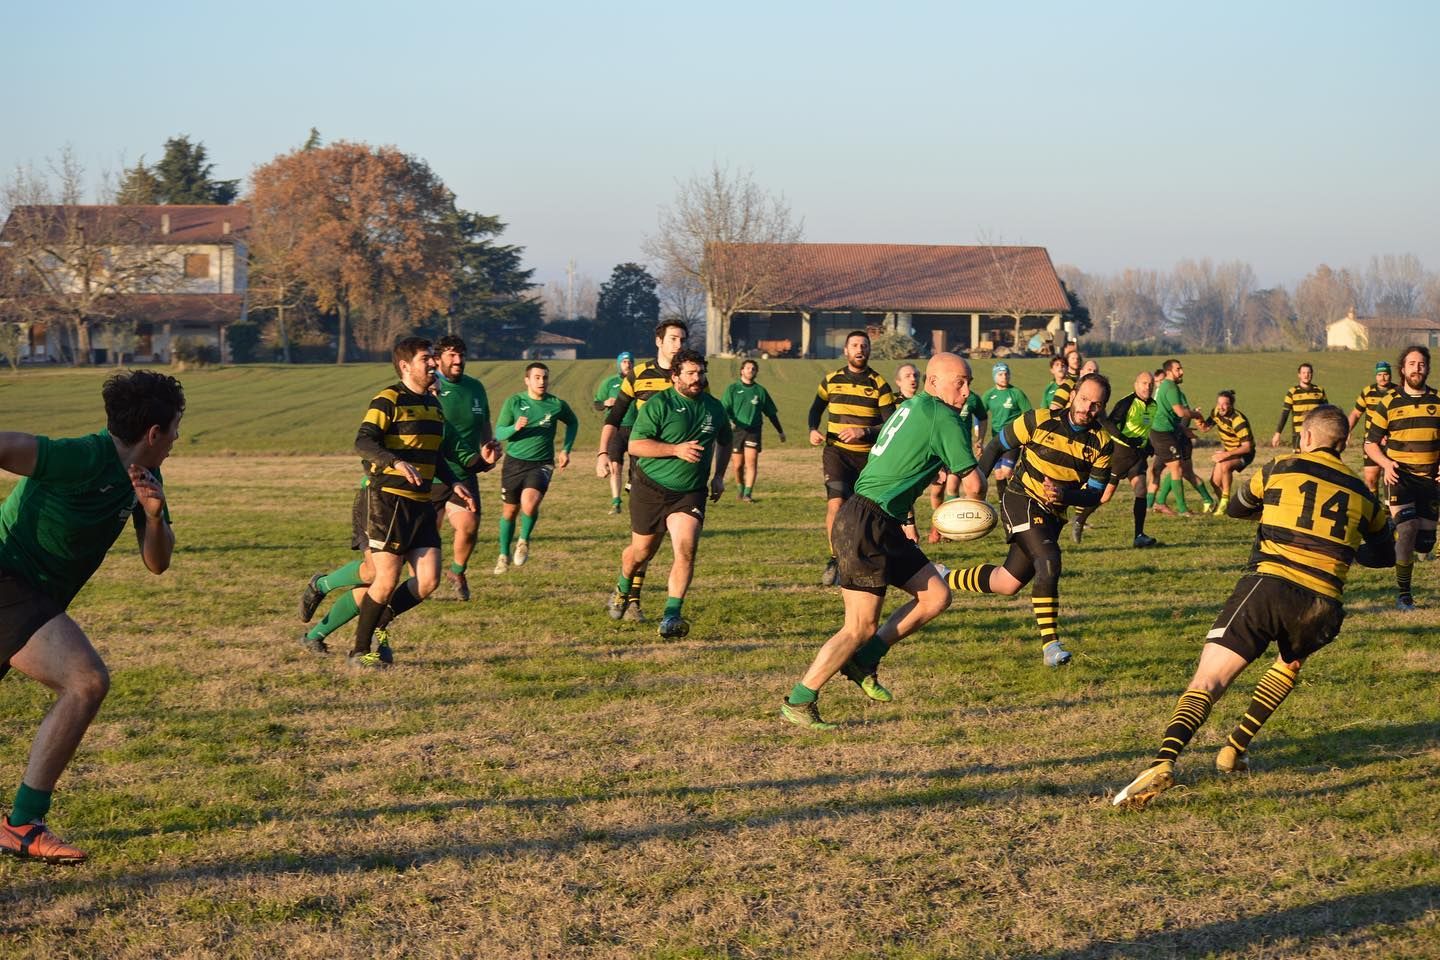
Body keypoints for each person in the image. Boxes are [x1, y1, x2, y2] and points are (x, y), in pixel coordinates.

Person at [1113, 405, 1392, 809]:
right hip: (1323, 602)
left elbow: (1237, 508)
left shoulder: (1281, 467)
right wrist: (1349, 549)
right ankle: (1234, 749)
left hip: (1270, 584)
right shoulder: (1363, 493)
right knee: (1288, 664)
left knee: (1208, 680)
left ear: (1306, 437)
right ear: (1344, 442)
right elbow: (1384, 553)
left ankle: (1163, 762)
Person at [0, 370, 184, 862]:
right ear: (154, 433)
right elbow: (6, 445)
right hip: (9, 579)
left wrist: (153, 515)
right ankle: (22, 823)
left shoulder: (146, 476)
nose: (176, 440)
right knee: (85, 681)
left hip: (34, 595)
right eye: (175, 429)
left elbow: (157, 562)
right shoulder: (82, 456)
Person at [782, 354, 980, 730]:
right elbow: (974, 483)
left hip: (883, 521)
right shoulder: (943, 415)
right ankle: (800, 699)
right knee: (858, 626)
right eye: (960, 382)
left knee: (936, 596)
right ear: (934, 382)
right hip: (866, 522)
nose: (967, 391)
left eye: (969, 382)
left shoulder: (915, 406)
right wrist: (978, 514)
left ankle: (864, 661)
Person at [946, 374, 1115, 667]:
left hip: (1053, 515)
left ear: (1102, 408)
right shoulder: (1038, 420)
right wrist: (977, 489)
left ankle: (942, 576)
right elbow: (996, 446)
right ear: (1073, 395)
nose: (1087, 408)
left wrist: (1065, 494)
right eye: (1084, 399)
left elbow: (1095, 495)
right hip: (1020, 499)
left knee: (1006, 582)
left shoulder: (1102, 443)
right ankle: (1051, 646)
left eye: (1095, 405)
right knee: (1049, 561)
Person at [343, 338, 483, 669]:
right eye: (426, 359)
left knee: (428, 581)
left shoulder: (433, 406)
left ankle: (380, 623)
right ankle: (360, 651)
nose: (433, 364)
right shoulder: (388, 399)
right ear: (406, 366)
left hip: (421, 504)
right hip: (388, 502)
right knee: (386, 580)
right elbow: (363, 441)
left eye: (433, 358)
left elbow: (436, 454)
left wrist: (454, 482)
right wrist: (396, 461)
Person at [606, 350, 731, 639]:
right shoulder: (659, 404)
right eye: (691, 373)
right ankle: (623, 585)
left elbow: (725, 440)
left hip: (690, 492)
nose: (697, 378)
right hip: (650, 487)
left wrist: (719, 476)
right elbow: (636, 445)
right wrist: (676, 449)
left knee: (686, 549)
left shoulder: (714, 407)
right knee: (641, 552)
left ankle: (671, 616)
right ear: (675, 376)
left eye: (701, 372)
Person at [597, 320, 689, 621]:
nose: (678, 344)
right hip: (643, 468)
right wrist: (602, 452)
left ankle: (633, 596)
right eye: (673, 338)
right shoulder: (638, 375)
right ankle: (631, 596)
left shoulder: (689, 376)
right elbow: (614, 417)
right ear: (659, 342)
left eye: (682, 339)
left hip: (680, 471)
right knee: (645, 543)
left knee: (661, 541)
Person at [809, 331, 896, 585]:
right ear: (846, 350)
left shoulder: (879, 384)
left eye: (864, 345)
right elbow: (815, 409)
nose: (860, 349)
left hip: (868, 458)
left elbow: (891, 425)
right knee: (835, 505)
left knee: (867, 512)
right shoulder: (831, 380)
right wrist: (812, 429)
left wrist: (864, 432)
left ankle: (867, 556)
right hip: (836, 453)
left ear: (869, 350)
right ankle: (835, 559)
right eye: (855, 345)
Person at [1364, 345, 1440, 611]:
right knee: (1408, 529)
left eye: (1421, 364)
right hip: (1400, 477)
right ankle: (1404, 595)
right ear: (1402, 369)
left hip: (1430, 480)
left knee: (1425, 544)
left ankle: (1388, 533)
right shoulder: (1389, 402)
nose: (1417, 368)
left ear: (1427, 368)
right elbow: (1370, 444)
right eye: (1412, 364)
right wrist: (1386, 463)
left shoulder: (1438, 400)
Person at [493, 362, 579, 574]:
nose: (542, 381)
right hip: (514, 463)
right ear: (527, 380)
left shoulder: (556, 404)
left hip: (542, 463)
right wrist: (515, 427)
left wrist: (565, 450)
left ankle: (523, 541)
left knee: (529, 504)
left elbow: (573, 422)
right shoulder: (514, 402)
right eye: (537, 377)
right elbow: (500, 432)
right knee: (510, 511)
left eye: (545, 377)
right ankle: (503, 555)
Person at [432, 335, 496, 599]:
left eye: (461, 355)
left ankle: (457, 572)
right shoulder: (430, 388)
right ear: (437, 359)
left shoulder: (475, 387)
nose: (458, 360)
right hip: (432, 474)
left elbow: (484, 422)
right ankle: (418, 583)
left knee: (469, 525)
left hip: (464, 470)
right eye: (451, 355)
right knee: (427, 536)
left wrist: (488, 448)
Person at [1080, 370, 1158, 548]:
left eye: (1151, 384)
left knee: (1141, 490)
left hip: (1137, 456)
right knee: (1105, 496)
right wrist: (1127, 440)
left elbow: (1143, 429)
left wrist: (1148, 444)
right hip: (1119, 455)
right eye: (1144, 383)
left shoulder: (1153, 405)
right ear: (1136, 385)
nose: (1148, 387)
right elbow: (1109, 424)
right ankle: (1080, 519)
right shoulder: (1127, 403)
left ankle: (1139, 535)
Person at [1148, 359, 1215, 516]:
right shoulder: (1171, 388)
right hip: (1163, 434)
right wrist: (1197, 414)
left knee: (1174, 469)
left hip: (1168, 433)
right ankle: (1182, 508)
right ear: (1169, 372)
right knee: (1177, 469)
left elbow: (1172, 414)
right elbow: (1180, 412)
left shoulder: (1167, 387)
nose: (1182, 372)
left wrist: (1182, 428)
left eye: (1181, 368)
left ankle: (1158, 503)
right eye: (1178, 369)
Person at [721, 359, 786, 502]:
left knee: (751, 463)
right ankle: (740, 489)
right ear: (742, 371)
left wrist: (780, 431)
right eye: (748, 368)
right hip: (737, 430)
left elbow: (771, 413)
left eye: (753, 369)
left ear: (756, 372)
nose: (750, 370)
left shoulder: (760, 391)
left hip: (753, 430)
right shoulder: (732, 389)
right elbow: (723, 409)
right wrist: (729, 422)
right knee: (738, 465)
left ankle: (748, 494)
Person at [982, 362, 1032, 504]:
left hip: (1013, 438)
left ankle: (1017, 496)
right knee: (998, 474)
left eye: (1006, 374)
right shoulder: (989, 395)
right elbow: (980, 414)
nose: (1004, 377)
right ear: (994, 376)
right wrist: (979, 435)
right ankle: (1003, 502)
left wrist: (1025, 437)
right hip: (996, 440)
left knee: (1007, 471)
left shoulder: (1016, 393)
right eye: (1000, 374)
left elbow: (1028, 414)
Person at [1348, 360, 1400, 495]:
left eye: (1385, 374)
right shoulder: (1367, 392)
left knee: (1393, 478)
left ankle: (1390, 507)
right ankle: (1375, 505)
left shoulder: (1398, 391)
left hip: (1393, 441)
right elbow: (1356, 413)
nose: (1383, 377)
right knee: (1370, 479)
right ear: (1376, 376)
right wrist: (1347, 430)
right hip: (1372, 442)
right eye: (1379, 375)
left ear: (1390, 375)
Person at [594, 352, 636, 514]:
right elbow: (597, 404)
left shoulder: (638, 382)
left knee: (638, 467)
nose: (627, 364)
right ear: (619, 364)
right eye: (624, 361)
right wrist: (605, 403)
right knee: (615, 466)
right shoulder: (609, 383)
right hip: (616, 430)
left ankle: (631, 483)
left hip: (636, 429)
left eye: (630, 361)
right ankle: (616, 502)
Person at [1207, 390, 1255, 515]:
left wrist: (1225, 454)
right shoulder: (1216, 412)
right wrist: (1196, 417)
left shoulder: (1238, 421)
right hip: (1229, 451)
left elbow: (1247, 447)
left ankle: (1225, 500)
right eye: (1219, 403)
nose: (1221, 407)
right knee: (1214, 482)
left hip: (1245, 454)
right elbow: (1205, 428)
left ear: (1231, 405)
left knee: (1225, 465)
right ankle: (1227, 507)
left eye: (1225, 404)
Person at [1271, 362, 1327, 449]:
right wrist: (1278, 434)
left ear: (1312, 374)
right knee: (1299, 457)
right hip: (1299, 433)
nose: (1306, 375)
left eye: (1309, 373)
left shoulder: (1320, 391)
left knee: (1315, 457)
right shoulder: (1292, 392)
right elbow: (1285, 414)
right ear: (1299, 375)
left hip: (1316, 433)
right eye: (1303, 373)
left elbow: (1326, 413)